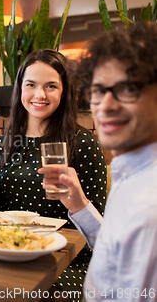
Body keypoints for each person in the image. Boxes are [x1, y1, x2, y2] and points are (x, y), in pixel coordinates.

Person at [0, 49, 107, 300]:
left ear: (64, 92)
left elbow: (101, 229)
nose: (39, 95)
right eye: (31, 85)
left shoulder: (82, 143)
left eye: (51, 86)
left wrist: (75, 200)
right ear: (20, 89)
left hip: (67, 261)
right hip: (9, 249)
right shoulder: (2, 144)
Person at [47, 22, 157, 300]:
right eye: (97, 91)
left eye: (128, 88)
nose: (105, 106)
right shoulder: (130, 173)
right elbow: (116, 251)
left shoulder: (150, 207)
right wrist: (79, 204)